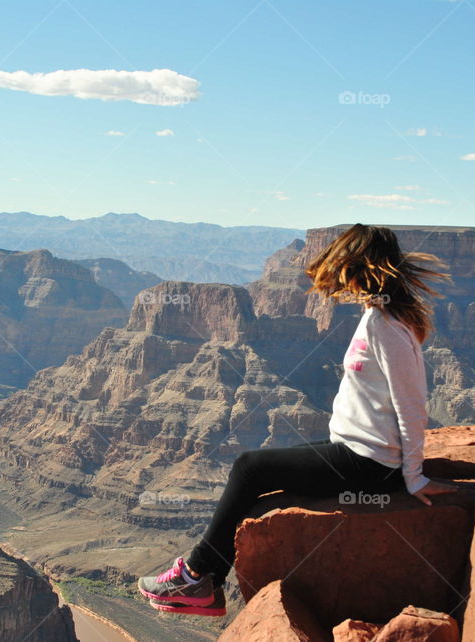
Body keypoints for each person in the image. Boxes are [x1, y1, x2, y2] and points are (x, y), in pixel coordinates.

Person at [137, 223, 458, 617]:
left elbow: (411, 402)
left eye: (340, 264)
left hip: (370, 462)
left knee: (249, 468)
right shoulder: (379, 314)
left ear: (358, 265)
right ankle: (203, 579)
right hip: (353, 451)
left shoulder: (386, 325)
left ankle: (196, 577)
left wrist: (413, 476)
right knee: (260, 471)